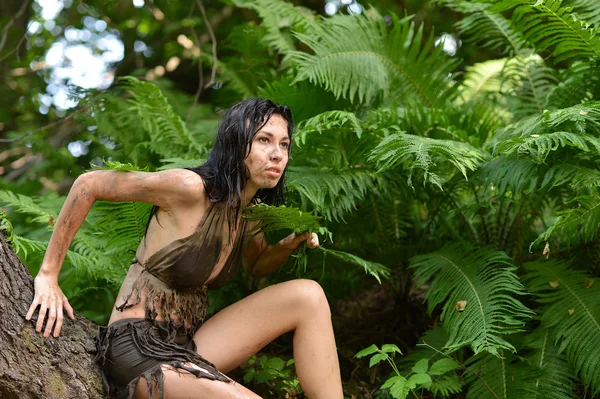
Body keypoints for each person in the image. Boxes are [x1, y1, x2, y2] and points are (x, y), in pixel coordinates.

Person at [25, 98, 344, 399]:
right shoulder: (190, 188)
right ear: (236, 142)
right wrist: (48, 274)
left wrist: (292, 242)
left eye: (284, 144)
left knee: (308, 296)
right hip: (136, 349)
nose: (277, 154)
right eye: (263, 140)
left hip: (188, 345)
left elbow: (257, 265)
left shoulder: (246, 211)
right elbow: (89, 184)